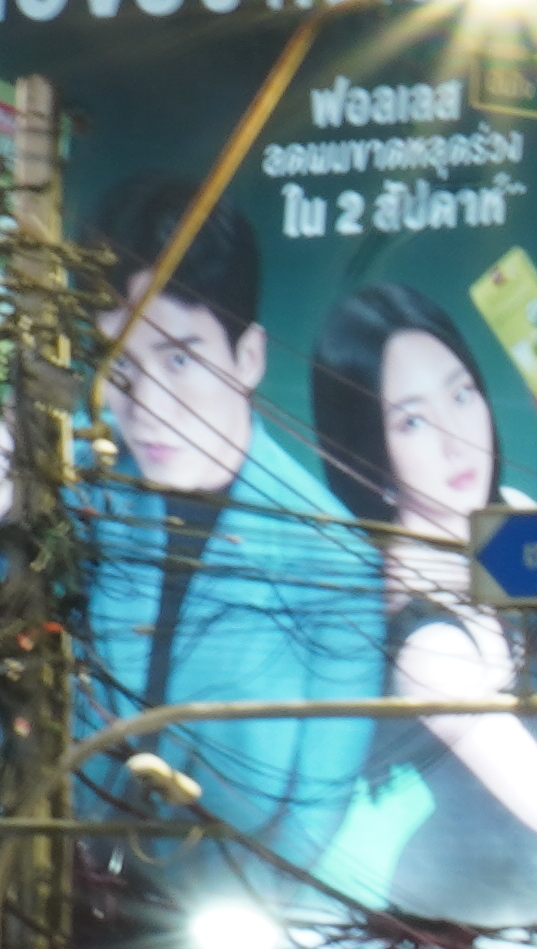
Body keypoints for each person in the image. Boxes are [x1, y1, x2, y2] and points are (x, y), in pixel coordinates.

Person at [302, 280, 537, 926]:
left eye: (462, 393)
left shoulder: (508, 522)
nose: (457, 440)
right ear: (370, 454)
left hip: (535, 917)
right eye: (413, 420)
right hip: (441, 938)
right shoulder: (424, 639)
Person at [70, 176, 400, 909]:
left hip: (233, 933)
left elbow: (317, 805)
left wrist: (233, 923)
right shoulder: (75, 487)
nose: (145, 408)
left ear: (249, 357)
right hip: (52, 902)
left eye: (181, 359)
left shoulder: (333, 555)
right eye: (119, 366)